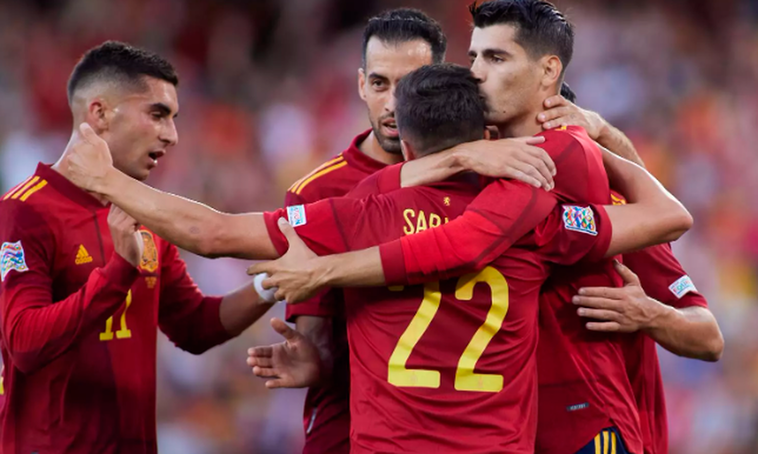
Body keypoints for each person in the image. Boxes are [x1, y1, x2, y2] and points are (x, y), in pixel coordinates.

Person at [58, 61, 689, 452]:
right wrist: (591, 135)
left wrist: (108, 183)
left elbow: (213, 232)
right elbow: (665, 215)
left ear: (404, 140)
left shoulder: (361, 210)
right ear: (487, 132)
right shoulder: (536, 219)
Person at [265, 8, 557, 453]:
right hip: (357, 430)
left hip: (484, 428)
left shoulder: (506, 170)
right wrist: (315, 361)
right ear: (361, 84)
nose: (393, 104)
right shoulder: (320, 192)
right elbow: (315, 339)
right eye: (380, 84)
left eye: (409, 85)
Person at [0, 41, 271, 454]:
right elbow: (24, 343)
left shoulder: (144, 210)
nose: (172, 135)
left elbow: (194, 325)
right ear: (100, 114)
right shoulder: (24, 211)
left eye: (174, 118)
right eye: (157, 114)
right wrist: (116, 274)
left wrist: (271, 285)